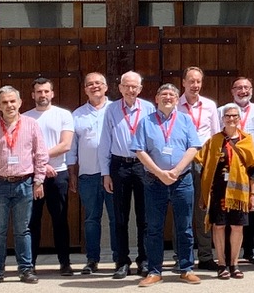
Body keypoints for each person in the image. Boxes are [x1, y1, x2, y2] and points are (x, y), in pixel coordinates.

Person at [131, 83, 204, 286]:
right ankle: (154, 271)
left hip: (182, 180)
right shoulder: (145, 122)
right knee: (153, 227)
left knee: (185, 227)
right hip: (154, 181)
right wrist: (159, 173)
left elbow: (194, 147)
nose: (168, 97)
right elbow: (139, 150)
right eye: (164, 94)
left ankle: (186, 268)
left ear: (177, 99)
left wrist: (176, 171)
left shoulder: (185, 120)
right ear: (156, 98)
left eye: (172, 94)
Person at [0, 86, 47, 286]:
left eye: (12, 101)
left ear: (20, 102)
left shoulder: (31, 125)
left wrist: (39, 180)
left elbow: (41, 154)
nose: (9, 105)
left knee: (22, 230)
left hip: (24, 184)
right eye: (5, 102)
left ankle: (25, 269)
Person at [99, 71, 155, 280]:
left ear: (140, 89)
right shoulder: (111, 110)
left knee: (145, 217)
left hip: (143, 166)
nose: (131, 90)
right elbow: (105, 141)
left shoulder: (149, 108)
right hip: (119, 165)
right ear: (120, 87)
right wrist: (106, 173)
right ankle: (122, 262)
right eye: (127, 86)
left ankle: (145, 260)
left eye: (135, 87)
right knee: (120, 218)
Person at [195, 103, 254, 280]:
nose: (231, 119)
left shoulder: (246, 140)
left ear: (239, 119)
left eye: (234, 116)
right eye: (228, 116)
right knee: (219, 226)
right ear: (222, 118)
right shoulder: (214, 140)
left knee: (237, 227)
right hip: (218, 192)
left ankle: (235, 264)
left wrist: (253, 194)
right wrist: (203, 195)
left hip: (239, 193)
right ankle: (222, 264)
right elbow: (205, 168)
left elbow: (253, 169)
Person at [24, 78, 73, 276]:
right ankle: (30, 264)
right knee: (32, 221)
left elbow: (65, 145)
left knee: (60, 220)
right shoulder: (25, 117)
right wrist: (42, 166)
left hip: (58, 174)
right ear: (32, 95)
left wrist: (43, 162)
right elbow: (23, 148)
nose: (42, 95)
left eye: (46, 91)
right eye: (38, 92)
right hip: (31, 175)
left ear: (52, 93)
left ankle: (65, 263)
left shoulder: (63, 115)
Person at [68, 72, 113, 277]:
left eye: (98, 83)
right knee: (91, 219)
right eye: (90, 84)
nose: (94, 87)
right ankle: (92, 260)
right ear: (85, 89)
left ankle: (119, 258)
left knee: (116, 218)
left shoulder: (115, 110)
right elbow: (72, 148)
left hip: (113, 175)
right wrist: (73, 173)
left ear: (105, 87)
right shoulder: (77, 114)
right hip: (88, 175)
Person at [179, 67, 220, 271]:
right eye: (191, 81)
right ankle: (182, 257)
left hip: (204, 162)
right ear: (183, 82)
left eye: (198, 82)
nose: (195, 85)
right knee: (183, 210)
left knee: (203, 208)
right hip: (181, 163)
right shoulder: (175, 105)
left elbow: (215, 134)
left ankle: (205, 256)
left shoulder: (210, 105)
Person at [227, 77, 254, 264]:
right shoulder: (224, 110)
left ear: (251, 89)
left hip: (253, 165)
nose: (243, 91)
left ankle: (251, 249)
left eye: (246, 87)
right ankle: (230, 251)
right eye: (239, 87)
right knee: (231, 207)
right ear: (232, 90)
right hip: (231, 167)